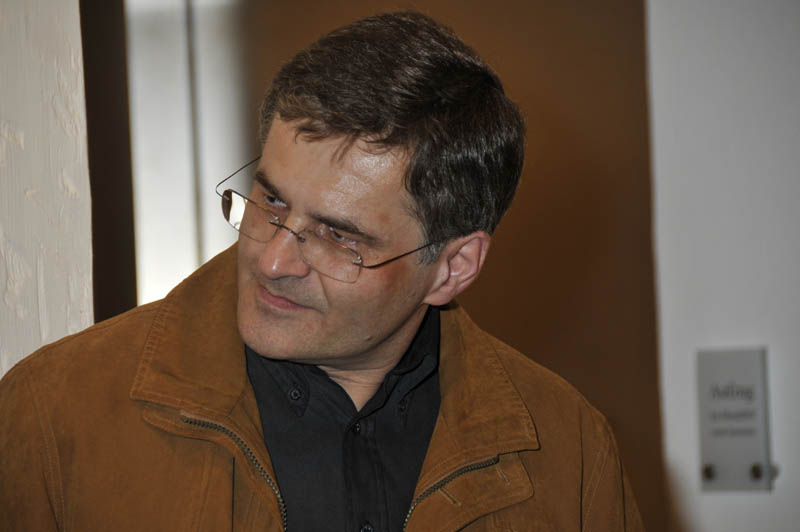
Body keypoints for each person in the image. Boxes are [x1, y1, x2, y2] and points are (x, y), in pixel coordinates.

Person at [0, 11, 643, 531]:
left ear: (452, 267)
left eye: (339, 237)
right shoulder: (55, 414)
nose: (273, 260)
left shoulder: (569, 449)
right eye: (271, 201)